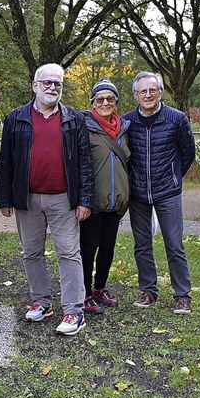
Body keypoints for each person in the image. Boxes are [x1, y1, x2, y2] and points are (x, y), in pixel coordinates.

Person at [0, 63, 94, 336]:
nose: (53, 88)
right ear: (35, 85)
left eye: (58, 84)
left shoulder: (74, 120)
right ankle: (41, 302)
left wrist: (85, 200)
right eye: (47, 83)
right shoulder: (15, 119)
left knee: (69, 253)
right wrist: (5, 197)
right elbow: (6, 161)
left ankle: (74, 310)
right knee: (31, 252)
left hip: (64, 199)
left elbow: (85, 163)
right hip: (27, 199)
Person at [123, 71, 196, 314]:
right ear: (135, 95)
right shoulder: (127, 122)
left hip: (168, 192)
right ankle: (148, 290)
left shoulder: (177, 119)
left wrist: (173, 176)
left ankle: (182, 295)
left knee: (174, 244)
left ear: (161, 92)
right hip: (138, 193)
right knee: (142, 244)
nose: (147, 95)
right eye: (142, 91)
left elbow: (187, 154)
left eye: (152, 90)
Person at [80, 78, 130, 314]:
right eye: (100, 99)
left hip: (116, 200)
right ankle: (85, 292)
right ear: (93, 102)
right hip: (92, 200)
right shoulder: (84, 126)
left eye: (110, 98)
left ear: (116, 102)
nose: (105, 102)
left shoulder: (125, 128)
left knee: (108, 246)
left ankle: (100, 287)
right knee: (88, 247)